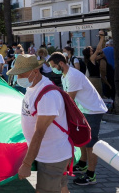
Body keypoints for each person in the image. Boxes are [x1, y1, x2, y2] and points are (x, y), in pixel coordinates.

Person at [7, 55, 72, 193]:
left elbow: (39, 132)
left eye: (21, 74)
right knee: (61, 188)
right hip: (47, 153)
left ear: (35, 71)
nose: (18, 78)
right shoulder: (33, 86)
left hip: (52, 157)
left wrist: (26, 164)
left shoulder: (48, 96)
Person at [48, 53, 108, 185]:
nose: (53, 69)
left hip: (92, 110)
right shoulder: (65, 75)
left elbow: (69, 100)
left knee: (91, 143)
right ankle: (82, 165)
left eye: (54, 66)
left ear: (61, 64)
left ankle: (91, 175)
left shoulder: (73, 76)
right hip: (84, 110)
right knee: (82, 138)